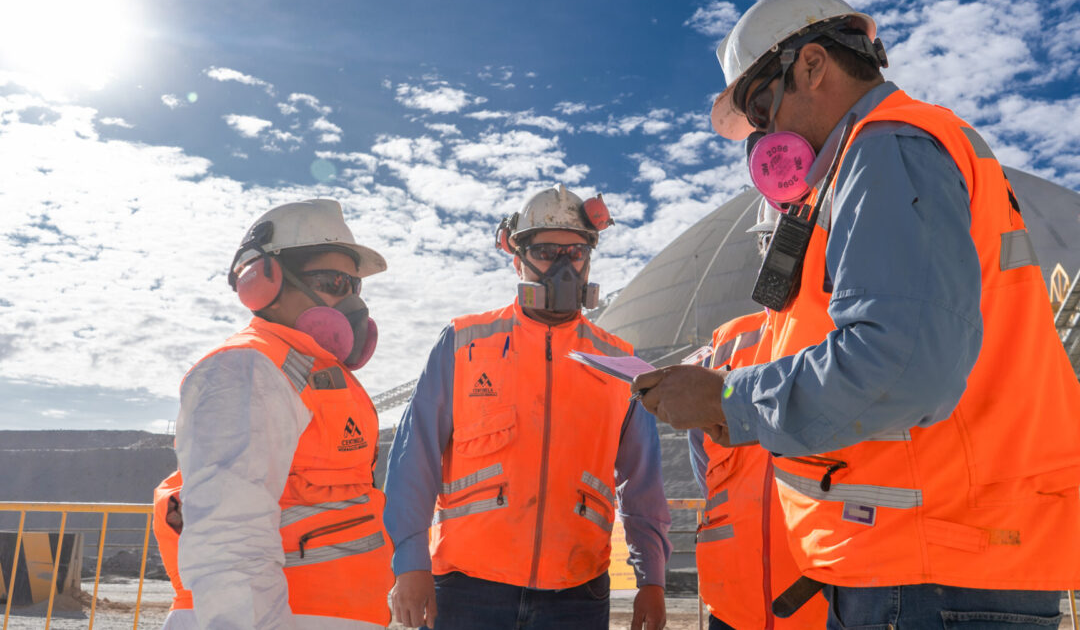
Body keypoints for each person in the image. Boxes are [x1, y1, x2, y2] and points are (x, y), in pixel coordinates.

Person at [635, 0, 1080, 627]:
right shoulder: (885, 158)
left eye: (762, 103)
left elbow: (901, 364)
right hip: (933, 561)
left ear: (813, 65)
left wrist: (725, 400)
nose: (764, 135)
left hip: (933, 570)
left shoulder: (886, 147)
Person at [383, 184, 671, 630]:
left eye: (574, 252)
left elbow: (643, 481)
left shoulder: (620, 364)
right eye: (545, 250)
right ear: (517, 259)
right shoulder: (465, 344)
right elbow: (413, 458)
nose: (562, 264)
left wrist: (651, 578)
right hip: (467, 588)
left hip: (577, 591)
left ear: (590, 258)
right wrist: (410, 561)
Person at [152, 199, 394, 629]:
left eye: (354, 287)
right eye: (334, 282)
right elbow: (227, 537)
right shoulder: (245, 368)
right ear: (264, 284)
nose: (352, 302)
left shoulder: (305, 370)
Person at [688, 200, 826, 629]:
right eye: (774, 244)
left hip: (826, 608)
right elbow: (704, 463)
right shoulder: (726, 345)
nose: (783, 261)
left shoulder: (851, 344)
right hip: (732, 607)